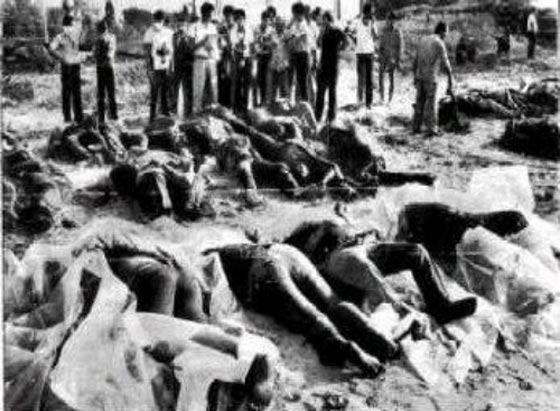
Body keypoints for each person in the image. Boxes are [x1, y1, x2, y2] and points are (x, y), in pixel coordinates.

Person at [209, 243, 397, 375]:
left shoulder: (205, 263)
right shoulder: (226, 248)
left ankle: (353, 353)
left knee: (309, 316)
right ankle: (380, 340)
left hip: (264, 268)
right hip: (286, 252)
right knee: (332, 302)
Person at [284, 220, 478, 324]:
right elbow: (302, 259)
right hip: (342, 257)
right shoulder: (303, 237)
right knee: (371, 277)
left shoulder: (329, 222)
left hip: (363, 246)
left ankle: (441, 306)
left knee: (416, 252)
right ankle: (400, 307)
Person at [412, 21, 454, 137]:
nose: (446, 35)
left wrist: (414, 76)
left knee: (419, 102)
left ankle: (416, 127)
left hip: (420, 75)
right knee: (431, 104)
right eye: (446, 33)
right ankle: (432, 129)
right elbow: (446, 64)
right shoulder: (439, 43)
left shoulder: (423, 40)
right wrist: (451, 80)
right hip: (431, 77)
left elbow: (415, 60)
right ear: (442, 31)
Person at [50, 14, 85, 124]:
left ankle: (79, 118)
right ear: (63, 27)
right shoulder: (60, 37)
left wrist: (81, 56)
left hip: (76, 66)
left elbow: (83, 47)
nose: (69, 28)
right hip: (66, 66)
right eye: (67, 26)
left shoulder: (77, 36)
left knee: (77, 93)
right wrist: (61, 57)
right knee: (66, 93)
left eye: (71, 26)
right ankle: (67, 118)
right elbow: (51, 48)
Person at [315, 11, 348, 123]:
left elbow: (346, 41)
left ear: (328, 19)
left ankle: (330, 117)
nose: (323, 21)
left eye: (324, 19)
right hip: (323, 64)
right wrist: (321, 33)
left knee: (331, 92)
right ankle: (318, 116)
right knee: (320, 92)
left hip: (333, 65)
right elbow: (318, 43)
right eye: (322, 19)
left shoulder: (336, 30)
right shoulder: (323, 30)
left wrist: (339, 50)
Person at [144, 10, 174, 122]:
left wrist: (171, 65)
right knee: (155, 90)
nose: (158, 22)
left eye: (160, 20)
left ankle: (165, 112)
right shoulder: (149, 32)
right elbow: (147, 51)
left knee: (164, 89)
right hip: (155, 64)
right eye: (157, 20)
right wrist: (149, 68)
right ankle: (152, 115)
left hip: (165, 63)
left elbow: (171, 50)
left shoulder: (168, 32)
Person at [191, 2, 219, 114]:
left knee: (213, 86)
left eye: (211, 14)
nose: (211, 17)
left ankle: (214, 110)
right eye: (209, 14)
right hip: (200, 59)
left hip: (211, 59)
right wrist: (203, 41)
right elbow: (191, 47)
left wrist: (213, 46)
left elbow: (215, 44)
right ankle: (196, 111)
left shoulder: (213, 27)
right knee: (198, 87)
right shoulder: (194, 27)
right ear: (204, 14)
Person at [286, 2, 312, 102]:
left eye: (294, 14)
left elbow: (300, 38)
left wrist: (292, 39)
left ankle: (305, 103)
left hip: (303, 54)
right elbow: (288, 34)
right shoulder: (295, 24)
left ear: (299, 13)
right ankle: (297, 103)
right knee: (294, 80)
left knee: (302, 82)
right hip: (295, 54)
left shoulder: (304, 25)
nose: (294, 16)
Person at [229, 9, 254, 114]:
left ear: (244, 19)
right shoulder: (233, 30)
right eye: (237, 19)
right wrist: (240, 58)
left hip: (247, 58)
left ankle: (245, 108)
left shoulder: (249, 29)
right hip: (237, 57)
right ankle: (236, 108)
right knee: (237, 83)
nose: (239, 21)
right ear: (235, 20)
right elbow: (235, 45)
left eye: (241, 18)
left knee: (247, 83)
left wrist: (247, 58)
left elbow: (251, 44)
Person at [94, 19, 118, 123]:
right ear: (107, 28)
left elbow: (96, 54)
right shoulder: (113, 37)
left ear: (99, 29)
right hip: (111, 67)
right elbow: (111, 52)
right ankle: (114, 116)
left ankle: (101, 118)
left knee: (101, 95)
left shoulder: (99, 39)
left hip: (101, 67)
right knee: (112, 93)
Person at [354, 3, 377, 108]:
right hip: (361, 53)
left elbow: (375, 37)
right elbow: (352, 34)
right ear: (367, 12)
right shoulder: (358, 22)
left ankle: (368, 102)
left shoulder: (372, 23)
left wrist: (373, 26)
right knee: (361, 78)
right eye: (372, 11)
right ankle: (360, 101)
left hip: (368, 53)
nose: (373, 13)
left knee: (368, 79)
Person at [378, 12, 403, 104]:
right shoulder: (383, 30)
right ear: (387, 20)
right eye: (389, 20)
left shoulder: (397, 32)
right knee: (381, 77)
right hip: (384, 56)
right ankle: (382, 97)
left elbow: (400, 46)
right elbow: (380, 44)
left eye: (393, 20)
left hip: (392, 57)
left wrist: (398, 59)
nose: (391, 22)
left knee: (391, 78)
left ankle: (390, 98)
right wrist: (380, 55)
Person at [173, 13, 194, 118]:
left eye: (183, 25)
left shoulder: (191, 38)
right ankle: (174, 114)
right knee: (174, 91)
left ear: (187, 26)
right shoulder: (172, 37)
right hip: (175, 68)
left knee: (187, 92)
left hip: (187, 69)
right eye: (179, 24)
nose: (181, 27)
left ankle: (188, 114)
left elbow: (193, 54)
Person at [254, 10, 276, 106]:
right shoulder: (256, 29)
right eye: (265, 20)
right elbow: (255, 42)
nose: (266, 22)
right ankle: (260, 100)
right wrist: (262, 43)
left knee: (268, 79)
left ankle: (266, 101)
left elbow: (274, 44)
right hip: (259, 56)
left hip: (268, 56)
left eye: (268, 20)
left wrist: (265, 43)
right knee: (260, 79)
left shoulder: (271, 30)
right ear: (262, 19)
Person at [267, 18, 291, 105]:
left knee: (284, 87)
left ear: (283, 26)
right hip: (274, 64)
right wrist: (270, 43)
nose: (279, 27)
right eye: (277, 25)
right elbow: (268, 45)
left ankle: (285, 105)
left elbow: (290, 47)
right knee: (272, 87)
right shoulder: (272, 35)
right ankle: (272, 105)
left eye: (281, 25)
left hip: (283, 65)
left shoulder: (287, 35)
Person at [218, 5, 235, 107]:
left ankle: (231, 104)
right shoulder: (221, 27)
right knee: (223, 79)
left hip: (234, 56)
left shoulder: (235, 27)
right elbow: (219, 42)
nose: (228, 17)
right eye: (226, 15)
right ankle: (223, 104)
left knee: (232, 80)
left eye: (230, 15)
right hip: (224, 56)